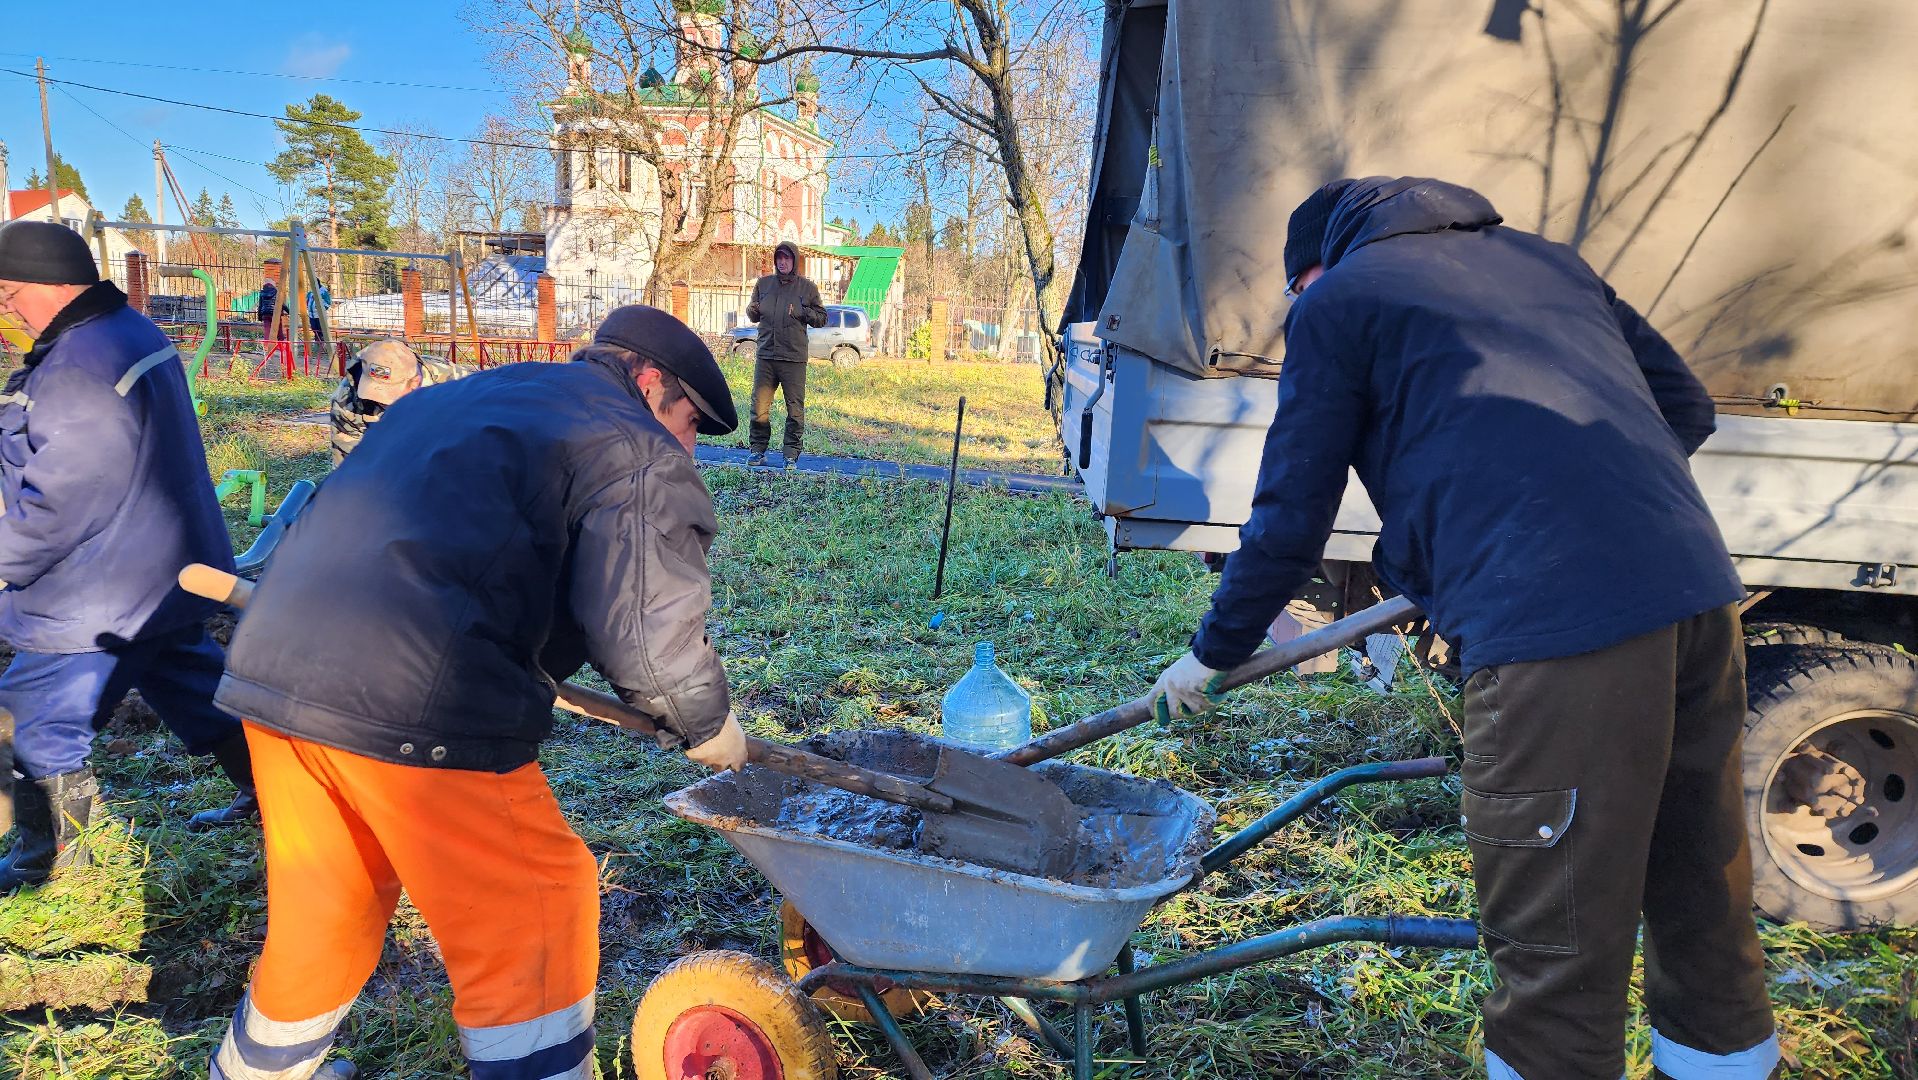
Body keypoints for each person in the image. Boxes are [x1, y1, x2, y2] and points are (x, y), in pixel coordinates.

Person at [1146, 177, 1778, 1080]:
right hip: (1698, 601)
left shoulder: (1342, 303)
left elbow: (1292, 517)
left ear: (1315, 269)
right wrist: (1580, 502)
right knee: (1700, 890)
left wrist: (1213, 654)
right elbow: (1688, 409)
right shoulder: (1550, 264)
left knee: (1553, 943)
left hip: (1555, 633)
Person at [205, 305, 746, 1080]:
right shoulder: (634, 448)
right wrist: (705, 719)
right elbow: (645, 630)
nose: (687, 445)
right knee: (537, 908)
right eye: (689, 421)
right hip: (414, 704)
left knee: (330, 901)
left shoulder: (455, 398)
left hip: (278, 675)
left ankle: (259, 1071)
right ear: (650, 382)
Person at [0, 221, 254, 894]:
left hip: (97, 588)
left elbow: (65, 495)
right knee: (195, 684)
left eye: (10, 292)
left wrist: (6, 558)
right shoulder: (127, 334)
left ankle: (48, 861)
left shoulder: (82, 366)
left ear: (52, 286)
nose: (7, 310)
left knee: (36, 712)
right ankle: (271, 794)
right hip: (162, 570)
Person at [744, 240, 826, 467]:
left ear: (795, 261)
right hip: (766, 355)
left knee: (794, 409)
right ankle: (758, 450)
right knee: (759, 407)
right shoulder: (764, 284)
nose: (782, 262)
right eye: (779, 258)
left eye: (787, 258)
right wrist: (752, 310)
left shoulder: (807, 288)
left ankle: (790, 453)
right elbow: (753, 313)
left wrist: (803, 312)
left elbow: (822, 318)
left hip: (793, 358)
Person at [329, 339, 461, 464]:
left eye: (388, 395)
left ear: (414, 383)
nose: (378, 400)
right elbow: (349, 465)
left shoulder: (453, 381)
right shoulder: (346, 398)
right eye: (372, 391)